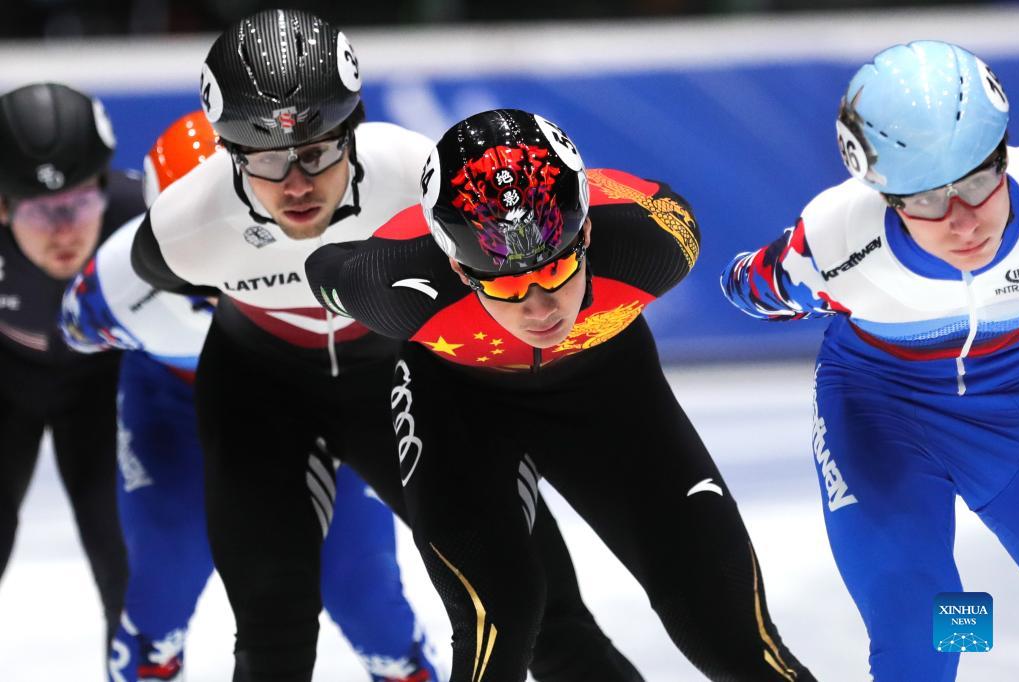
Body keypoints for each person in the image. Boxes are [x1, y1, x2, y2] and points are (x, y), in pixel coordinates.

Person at [130, 10, 643, 682]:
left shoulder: (414, 176)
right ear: (228, 151)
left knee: (543, 612)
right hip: (259, 395)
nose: (295, 183)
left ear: (354, 128)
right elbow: (123, 298)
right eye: (266, 160)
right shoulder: (182, 227)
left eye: (317, 152)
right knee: (272, 624)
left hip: (401, 382)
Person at [305, 108, 816, 682]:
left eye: (555, 270)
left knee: (733, 640)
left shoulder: (654, 242)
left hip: (608, 395)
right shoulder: (394, 287)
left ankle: (938, 626)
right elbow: (320, 265)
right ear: (457, 266)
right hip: (459, 408)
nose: (540, 308)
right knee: (501, 623)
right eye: (507, 284)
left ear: (588, 232)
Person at [62, 110, 440, 682]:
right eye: (205, 232)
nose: (233, 249)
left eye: (246, 225)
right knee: (159, 599)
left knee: (370, 606)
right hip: (175, 415)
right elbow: (71, 330)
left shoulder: (340, 239)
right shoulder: (119, 284)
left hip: (310, 406)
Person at [720, 41, 1019, 681]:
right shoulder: (836, 240)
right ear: (886, 196)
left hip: (1011, 411)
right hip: (884, 414)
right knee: (923, 631)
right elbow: (745, 286)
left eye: (977, 181)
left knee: (956, 613)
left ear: (1002, 155)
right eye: (928, 199)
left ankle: (970, 622)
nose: (964, 221)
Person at [0, 82, 138, 658]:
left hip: (103, 388)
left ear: (104, 186)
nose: (64, 229)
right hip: (6, 385)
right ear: (2, 205)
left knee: (127, 567)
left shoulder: (144, 221)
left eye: (79, 203)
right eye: (41, 210)